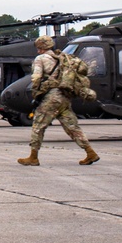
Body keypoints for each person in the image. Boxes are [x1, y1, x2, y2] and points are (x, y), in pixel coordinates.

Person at [18, 35, 100, 167]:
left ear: (40, 48)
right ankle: (90, 152)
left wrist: (35, 93)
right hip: (64, 97)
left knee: (38, 126)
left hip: (51, 97)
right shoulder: (62, 58)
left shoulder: (41, 58)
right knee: (72, 127)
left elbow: (36, 77)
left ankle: (33, 157)